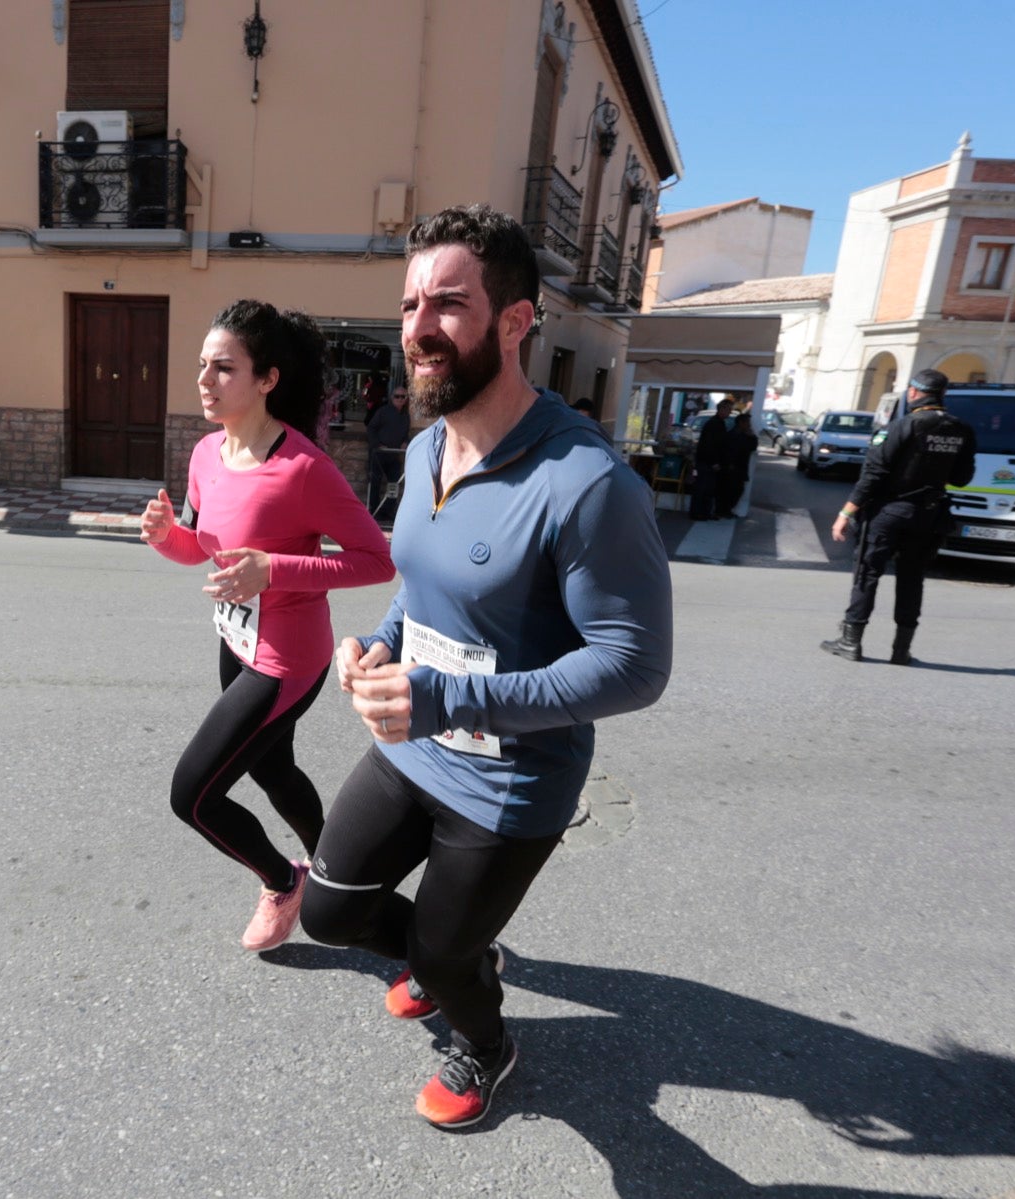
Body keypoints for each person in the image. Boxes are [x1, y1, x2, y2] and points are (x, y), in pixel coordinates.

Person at [299, 205, 673, 1130]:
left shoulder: (586, 484)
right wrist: (384, 641)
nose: (420, 328)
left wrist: (448, 697)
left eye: (450, 305)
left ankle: (486, 1037)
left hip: (509, 782)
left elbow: (635, 668)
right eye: (411, 303)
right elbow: (417, 587)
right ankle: (456, 957)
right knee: (329, 909)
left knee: (438, 959)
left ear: (515, 321)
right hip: (414, 741)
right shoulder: (427, 445)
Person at [140, 300, 394, 953]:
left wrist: (273, 570)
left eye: (223, 368)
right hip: (236, 640)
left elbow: (376, 560)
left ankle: (286, 881)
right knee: (274, 769)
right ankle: (344, 878)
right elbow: (204, 544)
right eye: (202, 366)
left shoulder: (303, 468)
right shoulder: (205, 452)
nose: (204, 379)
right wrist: (169, 538)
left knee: (192, 795)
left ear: (267, 380)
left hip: (287, 660)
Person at [821, 367, 977, 665]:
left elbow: (873, 475)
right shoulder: (962, 430)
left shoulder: (901, 427)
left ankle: (850, 643)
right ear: (943, 396)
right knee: (911, 579)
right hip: (928, 516)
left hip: (889, 514)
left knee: (867, 575)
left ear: (914, 393)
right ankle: (901, 650)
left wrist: (845, 513)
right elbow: (962, 479)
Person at [364, 381, 411, 514]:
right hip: (379, 454)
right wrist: (378, 445)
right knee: (375, 482)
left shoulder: (406, 416)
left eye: (403, 397)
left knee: (393, 484)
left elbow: (406, 434)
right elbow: (371, 428)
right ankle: (373, 511)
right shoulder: (383, 412)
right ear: (392, 398)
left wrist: (405, 442)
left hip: (393, 455)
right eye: (397, 396)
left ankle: (388, 512)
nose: (400, 399)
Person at [688, 397, 735, 520]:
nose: (730, 412)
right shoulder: (714, 424)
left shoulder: (719, 423)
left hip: (710, 462)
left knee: (709, 489)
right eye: (729, 409)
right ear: (722, 409)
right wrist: (714, 462)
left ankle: (705, 513)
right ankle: (697, 513)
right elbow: (710, 445)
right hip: (706, 463)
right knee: (702, 488)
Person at [715, 411, 759, 516]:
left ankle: (726, 510)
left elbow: (752, 447)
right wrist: (729, 464)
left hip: (740, 468)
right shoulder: (732, 435)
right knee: (728, 490)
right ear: (741, 423)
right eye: (747, 423)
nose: (749, 425)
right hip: (731, 468)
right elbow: (727, 451)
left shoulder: (745, 435)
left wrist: (752, 436)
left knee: (737, 490)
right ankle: (723, 510)